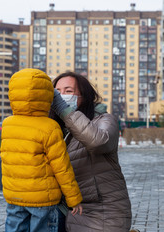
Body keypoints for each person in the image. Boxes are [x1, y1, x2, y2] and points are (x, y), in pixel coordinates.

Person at [0, 68, 83, 232]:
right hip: (44, 200)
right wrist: (74, 198)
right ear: (48, 96)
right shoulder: (50, 127)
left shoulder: (8, 124)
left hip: (15, 197)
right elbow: (62, 168)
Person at [49, 71, 132, 232]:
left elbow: (99, 142)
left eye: (68, 91)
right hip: (67, 212)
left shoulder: (104, 120)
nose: (61, 96)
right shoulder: (55, 128)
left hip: (102, 213)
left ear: (84, 96)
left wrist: (66, 112)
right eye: (57, 92)